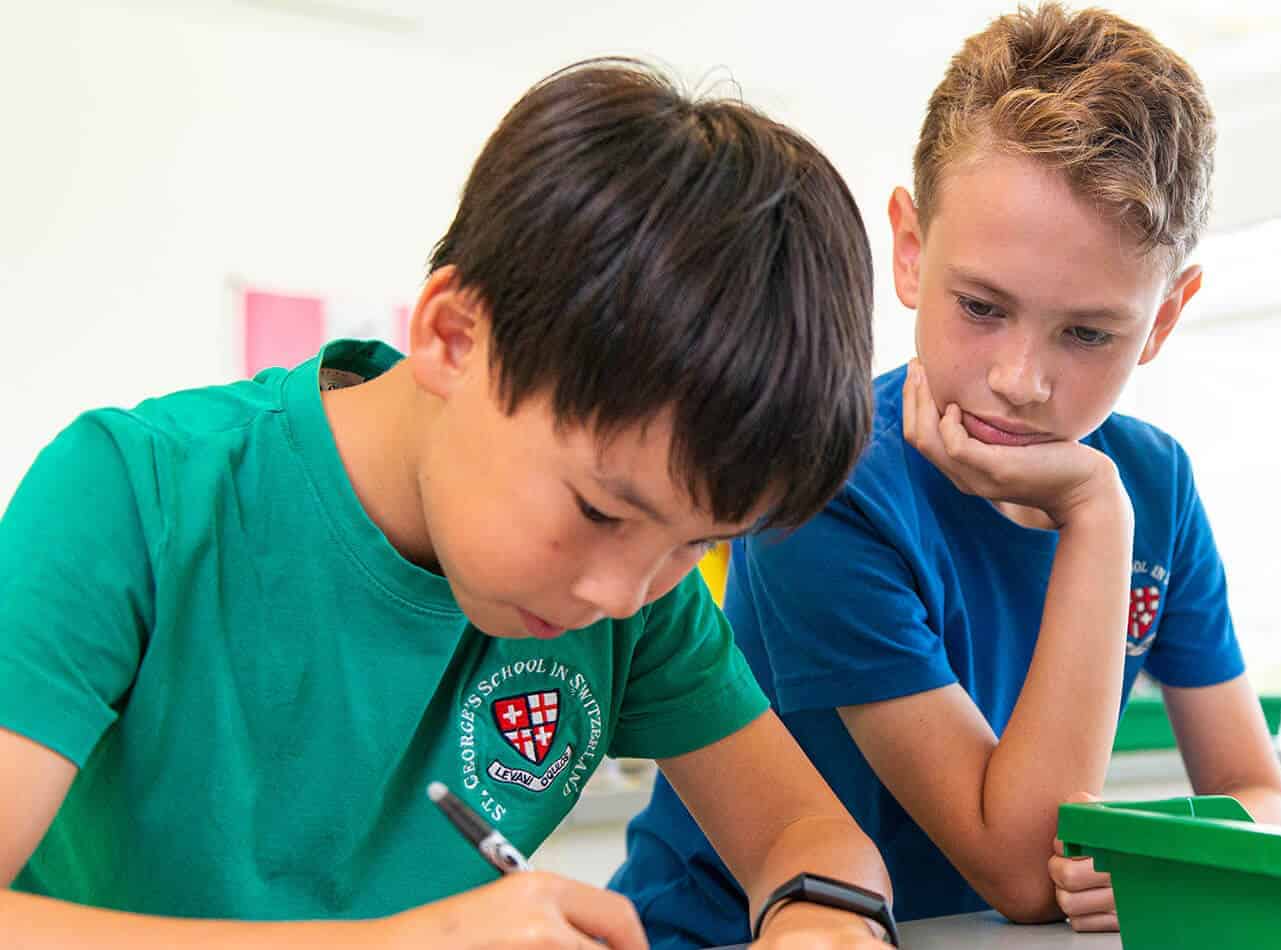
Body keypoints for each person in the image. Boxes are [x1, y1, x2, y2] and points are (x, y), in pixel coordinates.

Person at [0, 59, 896, 947]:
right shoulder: (131, 497)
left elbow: (805, 834)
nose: (624, 595)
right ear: (455, 338)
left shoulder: (636, 585)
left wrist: (826, 921)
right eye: (598, 511)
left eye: (698, 543)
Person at [611, 5, 1281, 945]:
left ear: (1165, 319)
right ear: (909, 250)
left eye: (1087, 333)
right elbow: (1021, 871)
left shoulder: (1158, 482)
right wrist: (1096, 513)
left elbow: (1258, 791)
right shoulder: (828, 481)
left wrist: (1184, 854)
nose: (1020, 380)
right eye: (981, 307)